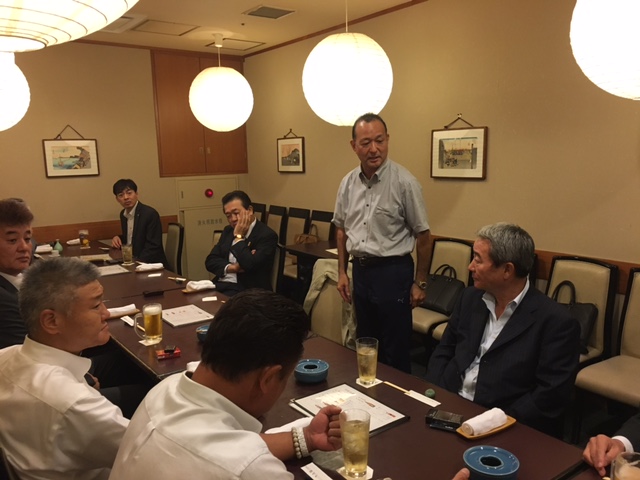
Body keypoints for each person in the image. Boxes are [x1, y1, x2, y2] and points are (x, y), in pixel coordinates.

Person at [109, 289, 342, 479]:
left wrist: (307, 437)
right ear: (268, 379)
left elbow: (229, 447)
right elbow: (240, 459)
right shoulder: (249, 469)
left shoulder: (163, 390)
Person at [426, 223, 581, 434]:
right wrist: (436, 394)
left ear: (507, 270)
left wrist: (492, 422)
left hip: (502, 423)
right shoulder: (470, 298)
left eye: (478, 260)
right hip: (449, 405)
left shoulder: (556, 322)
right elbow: (445, 349)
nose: (470, 267)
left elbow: (549, 395)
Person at [0, 257, 130, 479]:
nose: (106, 313)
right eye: (96, 305)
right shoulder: (75, 404)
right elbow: (152, 454)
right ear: (51, 321)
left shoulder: (5, 355)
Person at [333, 113, 431, 373]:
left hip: (393, 273)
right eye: (366, 143)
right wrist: (342, 272)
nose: (374, 149)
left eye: (380, 140)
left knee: (395, 348)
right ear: (354, 146)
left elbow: (423, 236)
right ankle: (369, 392)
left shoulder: (405, 182)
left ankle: (398, 397)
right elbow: (341, 230)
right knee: (365, 342)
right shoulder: (347, 183)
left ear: (388, 139)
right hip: (361, 271)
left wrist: (420, 282)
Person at [205, 190, 278, 296]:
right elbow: (210, 261)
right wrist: (233, 268)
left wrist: (239, 237)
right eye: (228, 216)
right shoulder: (228, 231)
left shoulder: (266, 235)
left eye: (236, 213)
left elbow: (249, 265)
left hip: (247, 291)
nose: (233, 219)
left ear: (250, 210)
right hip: (221, 285)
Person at [0, 197, 33, 348]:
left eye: (27, 238)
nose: (24, 247)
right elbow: (25, 352)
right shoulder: (4, 300)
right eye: (12, 240)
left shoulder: (20, 275)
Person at [111, 178, 167, 266]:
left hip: (150, 264)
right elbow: (132, 238)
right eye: (121, 195)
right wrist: (119, 238)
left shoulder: (150, 214)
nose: (126, 197)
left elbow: (153, 246)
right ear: (117, 199)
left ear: (136, 194)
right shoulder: (123, 214)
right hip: (132, 261)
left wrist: (136, 263)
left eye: (129, 193)